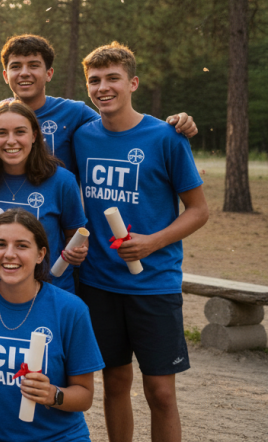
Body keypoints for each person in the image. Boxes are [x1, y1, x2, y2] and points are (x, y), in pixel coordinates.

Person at [73, 43, 208, 442]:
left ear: (132, 83)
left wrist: (152, 242)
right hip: (98, 283)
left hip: (154, 284)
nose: (103, 87)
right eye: (94, 80)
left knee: (161, 392)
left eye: (113, 78)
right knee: (115, 383)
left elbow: (199, 210)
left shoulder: (166, 136)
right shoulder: (82, 137)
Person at [0, 34, 196, 174]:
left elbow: (119, 129)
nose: (24, 73)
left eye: (34, 65)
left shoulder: (74, 113)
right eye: (16, 66)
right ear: (5, 75)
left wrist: (173, 124)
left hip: (56, 233)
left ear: (49, 74)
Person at [0, 209, 104, 442]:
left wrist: (53, 394)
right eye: (0, 244)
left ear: (40, 254)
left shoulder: (70, 309)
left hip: (57, 437)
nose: (9, 254)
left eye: (22, 246)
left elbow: (85, 396)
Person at [0, 100, 88, 293]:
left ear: (34, 136)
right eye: (1, 133)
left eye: (20, 132)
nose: (11, 141)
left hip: (49, 291)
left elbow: (75, 234)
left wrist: (78, 251)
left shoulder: (62, 181)